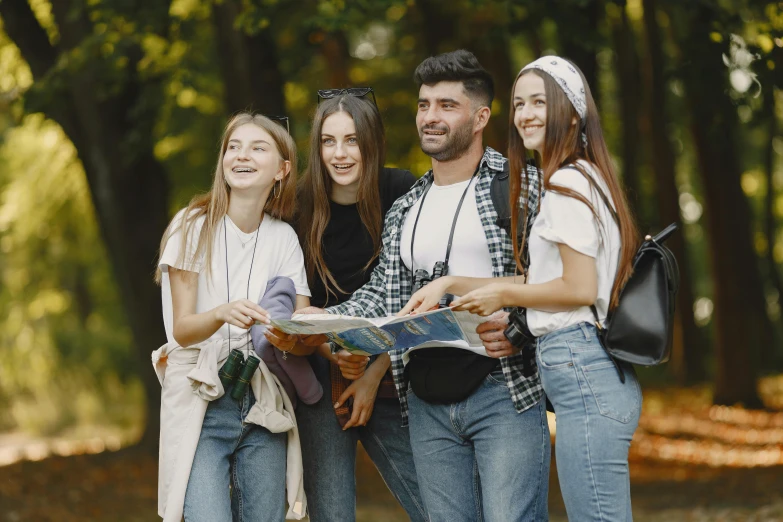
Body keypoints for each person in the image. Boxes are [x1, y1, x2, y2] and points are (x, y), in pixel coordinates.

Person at [273, 50, 551, 522]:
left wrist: (519, 322)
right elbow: (385, 295)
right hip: (424, 399)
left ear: (481, 116)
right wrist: (322, 322)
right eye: (424, 105)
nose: (431, 117)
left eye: (447, 105)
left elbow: (562, 281)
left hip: (502, 389)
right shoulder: (409, 207)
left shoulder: (517, 185)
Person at [404, 56, 642, 521]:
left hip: (581, 366)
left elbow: (578, 287)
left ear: (573, 114)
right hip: (583, 369)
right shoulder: (582, 177)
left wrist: (504, 297)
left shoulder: (569, 182)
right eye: (520, 103)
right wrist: (453, 283)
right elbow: (545, 281)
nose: (527, 113)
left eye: (540, 102)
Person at [153, 113, 310, 522]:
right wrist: (222, 313)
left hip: (263, 400)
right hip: (200, 398)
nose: (241, 156)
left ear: (282, 169)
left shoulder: (284, 238)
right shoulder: (191, 227)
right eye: (233, 147)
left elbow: (302, 323)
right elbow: (181, 331)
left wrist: (298, 331)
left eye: (258, 148)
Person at [293, 91, 427, 522]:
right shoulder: (300, 205)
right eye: (328, 142)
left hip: (394, 363)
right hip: (321, 367)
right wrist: (331, 352)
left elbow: (414, 293)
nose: (340, 153)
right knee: (330, 512)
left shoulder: (401, 189)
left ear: (371, 141)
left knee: (437, 504)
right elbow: (296, 305)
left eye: (352, 140)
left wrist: (374, 372)